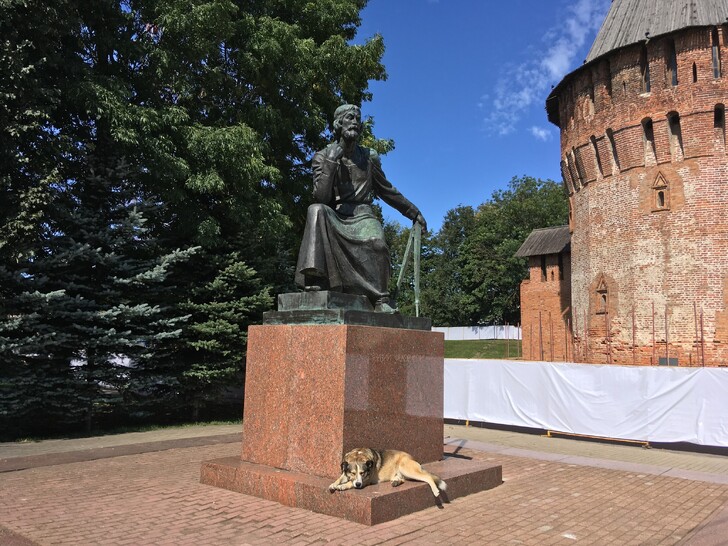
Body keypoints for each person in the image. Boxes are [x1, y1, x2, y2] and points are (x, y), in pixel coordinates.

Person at [295, 104, 427, 313]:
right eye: (349, 118)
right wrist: (332, 161)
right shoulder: (323, 156)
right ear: (339, 123)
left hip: (362, 214)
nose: (355, 122)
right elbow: (321, 196)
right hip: (336, 216)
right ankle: (317, 280)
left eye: (357, 118)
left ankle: (381, 300)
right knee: (316, 210)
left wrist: (413, 211)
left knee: (377, 243)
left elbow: (386, 189)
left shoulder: (369, 157)